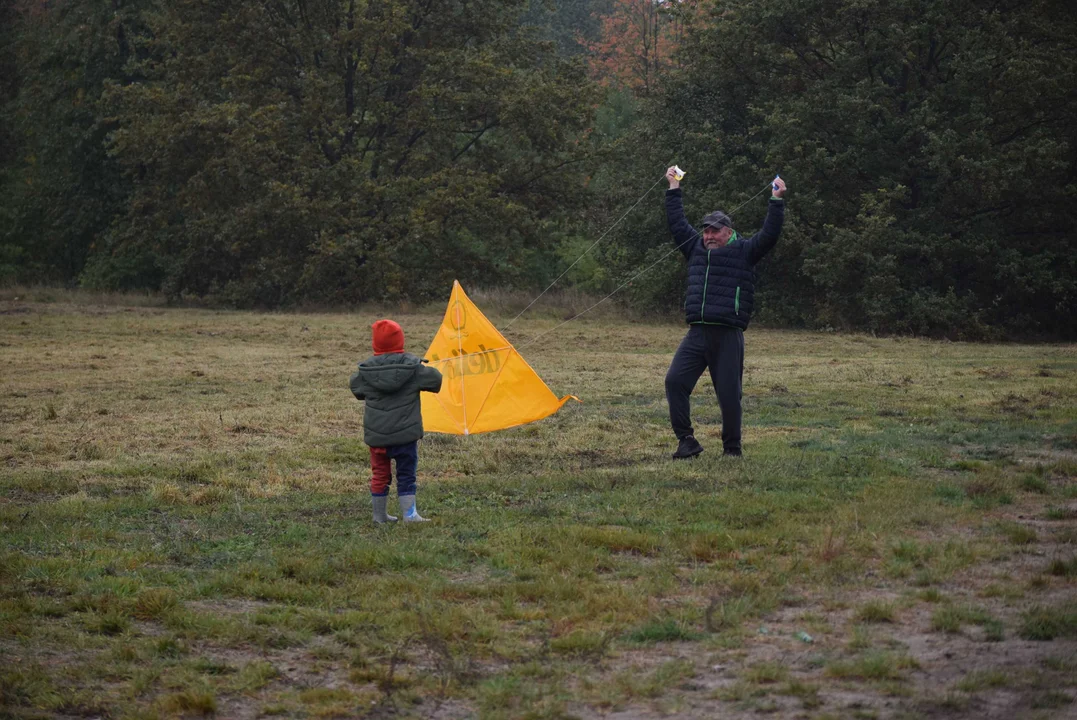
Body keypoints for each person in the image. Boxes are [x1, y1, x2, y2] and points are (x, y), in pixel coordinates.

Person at [663, 166, 787, 459]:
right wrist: (673, 187)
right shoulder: (694, 248)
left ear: (728, 232)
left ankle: (732, 450)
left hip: (728, 335)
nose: (708, 235)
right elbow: (677, 222)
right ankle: (686, 441)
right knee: (674, 381)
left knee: (729, 396)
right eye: (706, 230)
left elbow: (769, 235)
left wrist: (777, 200)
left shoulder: (744, 250)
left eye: (714, 230)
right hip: (697, 333)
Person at [350, 319, 443, 522]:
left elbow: (356, 388)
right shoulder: (413, 368)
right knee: (406, 474)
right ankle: (410, 515)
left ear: (375, 344)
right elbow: (436, 380)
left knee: (380, 475)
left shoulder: (366, 372)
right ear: (400, 341)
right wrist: (419, 364)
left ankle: (379, 516)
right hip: (405, 436)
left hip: (377, 438)